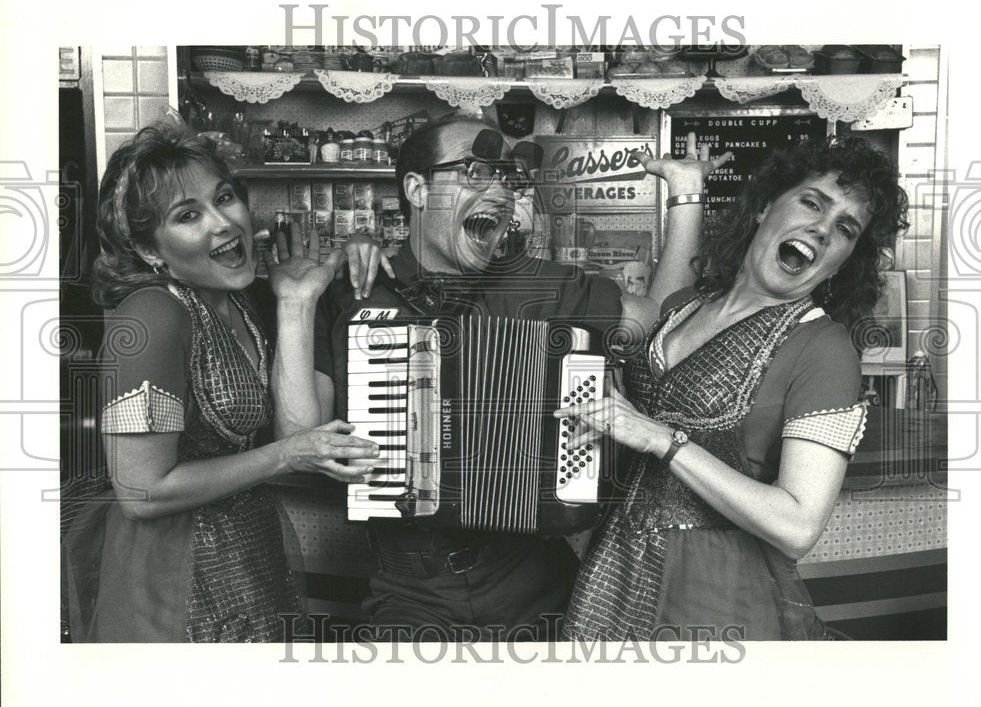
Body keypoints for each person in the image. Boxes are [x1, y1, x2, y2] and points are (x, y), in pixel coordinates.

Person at [271, 117, 721, 640]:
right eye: (475, 171)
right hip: (410, 593)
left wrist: (686, 197)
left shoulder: (547, 286)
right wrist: (296, 303)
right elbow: (298, 443)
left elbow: (664, 324)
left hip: (538, 584)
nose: (500, 191)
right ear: (417, 189)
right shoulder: (354, 293)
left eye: (507, 179)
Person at [556, 135, 909, 641]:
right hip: (612, 574)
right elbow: (658, 307)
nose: (823, 229)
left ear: (844, 259)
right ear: (765, 204)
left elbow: (798, 526)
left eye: (846, 229)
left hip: (715, 597)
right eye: (812, 202)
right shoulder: (686, 306)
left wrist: (663, 439)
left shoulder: (823, 347)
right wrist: (685, 191)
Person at [63, 119, 386, 642]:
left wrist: (296, 303)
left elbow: (298, 430)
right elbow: (141, 490)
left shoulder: (242, 301)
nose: (224, 224)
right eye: (189, 215)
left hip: (246, 559)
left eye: (226, 198)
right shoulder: (149, 317)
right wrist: (285, 457)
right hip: (169, 578)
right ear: (150, 250)